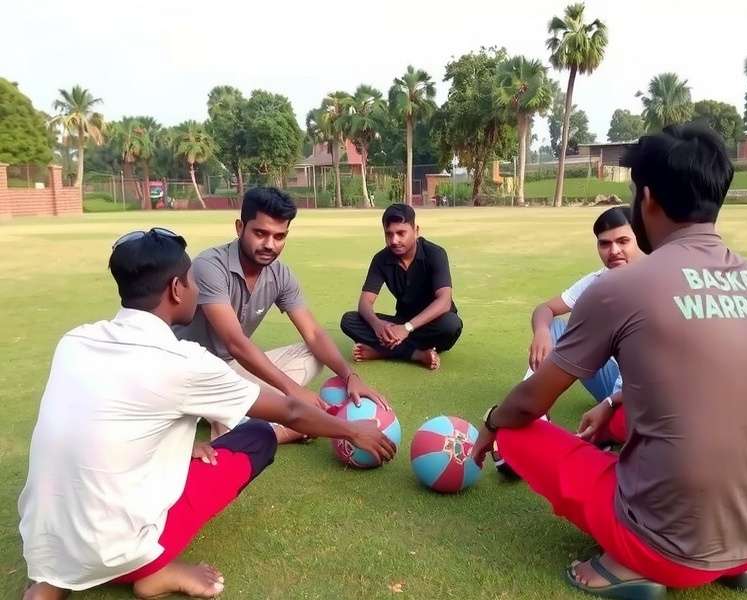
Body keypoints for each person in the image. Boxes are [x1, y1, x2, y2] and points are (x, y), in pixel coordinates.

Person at [471, 124, 747, 598]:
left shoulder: (621, 287)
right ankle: (738, 564)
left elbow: (530, 401)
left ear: (646, 198)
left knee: (517, 431)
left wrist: (493, 420)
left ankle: (628, 562)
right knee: (635, 418)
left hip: (666, 549)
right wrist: (614, 402)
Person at [18, 228, 395, 600]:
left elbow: (104, 425)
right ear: (177, 289)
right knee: (258, 437)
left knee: (89, 505)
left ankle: (52, 585)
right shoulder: (183, 362)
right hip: (123, 553)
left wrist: (178, 448)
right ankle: (156, 572)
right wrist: (350, 430)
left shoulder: (75, 340)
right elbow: (292, 410)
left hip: (42, 542)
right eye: (193, 280)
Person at [174, 187, 384, 442]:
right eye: (260, 233)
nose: (269, 245)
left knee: (311, 354)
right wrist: (292, 390)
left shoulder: (280, 275)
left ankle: (249, 413)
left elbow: (314, 334)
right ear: (240, 227)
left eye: (279, 236)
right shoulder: (210, 266)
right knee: (233, 415)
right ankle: (279, 429)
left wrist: (350, 376)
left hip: (233, 368)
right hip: (192, 372)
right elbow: (235, 343)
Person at [526, 206, 641, 404]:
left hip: (648, 394)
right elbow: (545, 308)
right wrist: (542, 333)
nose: (614, 251)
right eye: (605, 244)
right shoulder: (597, 280)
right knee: (553, 326)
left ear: (641, 239)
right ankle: (533, 407)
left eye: (623, 241)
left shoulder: (659, 282)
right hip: (612, 381)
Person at [340, 204, 463, 370]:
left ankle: (382, 352)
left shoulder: (435, 253)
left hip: (433, 324)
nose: (394, 240)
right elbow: (365, 302)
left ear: (416, 230)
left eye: (401, 233)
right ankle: (417, 355)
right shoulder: (381, 259)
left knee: (451, 324)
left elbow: (444, 301)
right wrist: (378, 325)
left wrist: (407, 328)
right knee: (349, 320)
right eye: (389, 234)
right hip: (400, 323)